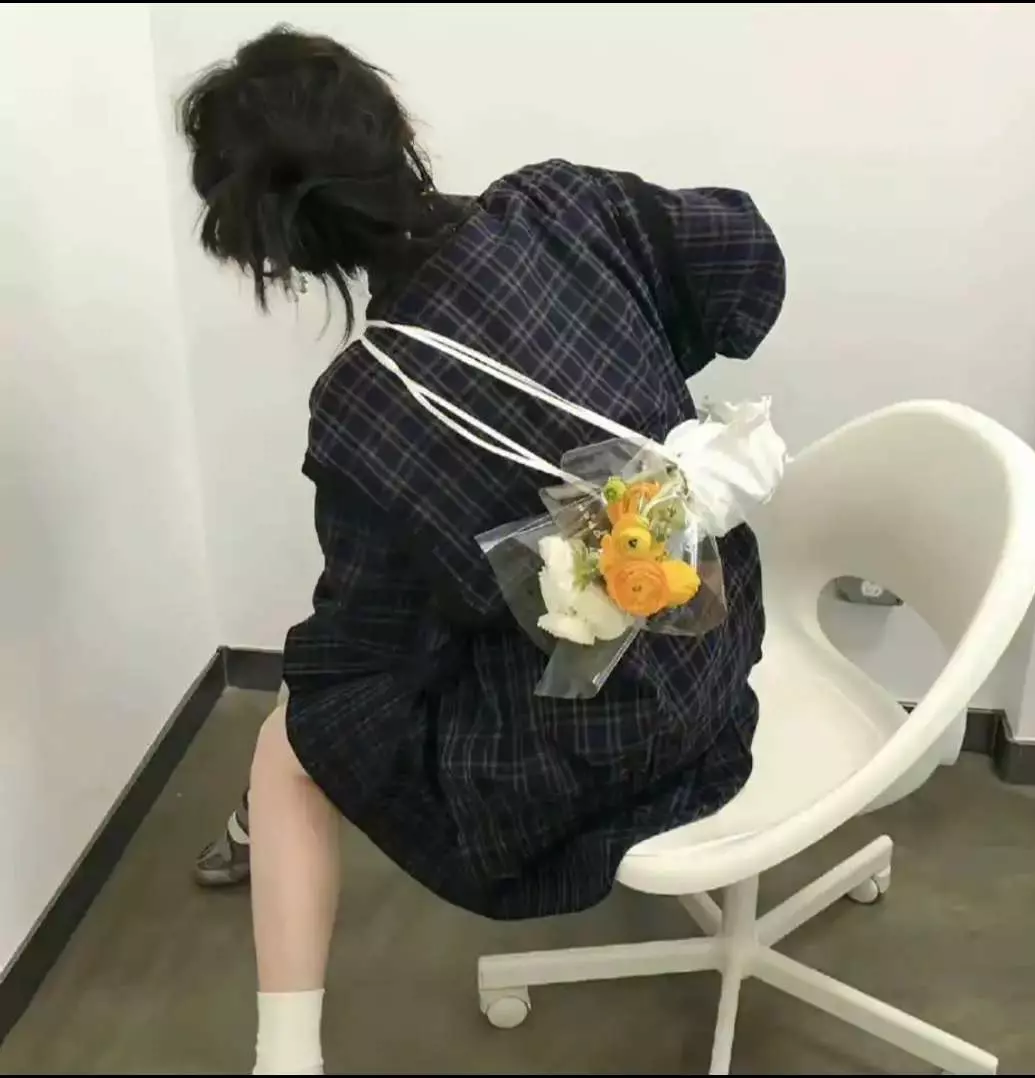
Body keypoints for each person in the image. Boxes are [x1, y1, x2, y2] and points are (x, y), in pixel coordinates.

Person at [180, 25, 785, 1075]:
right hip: (717, 643)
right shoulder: (564, 209)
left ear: (277, 251)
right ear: (396, 130)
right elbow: (747, 263)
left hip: (594, 752)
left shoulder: (365, 406)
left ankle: (285, 1055)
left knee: (295, 730)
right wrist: (630, 388)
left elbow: (361, 661)